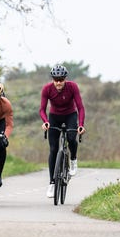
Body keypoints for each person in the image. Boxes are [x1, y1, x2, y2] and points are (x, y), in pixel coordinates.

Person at [39, 64, 86, 198]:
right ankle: (52, 183)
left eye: (61, 79)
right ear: (53, 79)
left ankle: (73, 159)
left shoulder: (72, 87)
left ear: (65, 78)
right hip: (54, 117)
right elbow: (42, 109)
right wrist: (45, 122)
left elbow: (80, 107)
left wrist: (80, 125)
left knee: (71, 138)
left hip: (70, 115)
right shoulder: (47, 89)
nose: (58, 82)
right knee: (53, 149)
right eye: (56, 79)